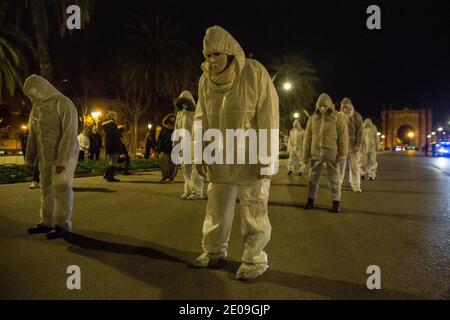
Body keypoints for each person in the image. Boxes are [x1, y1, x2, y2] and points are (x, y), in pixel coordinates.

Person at [192, 26, 279, 280]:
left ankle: (254, 258)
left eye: (216, 54)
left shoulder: (254, 72)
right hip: (219, 155)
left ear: (230, 52)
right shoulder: (205, 81)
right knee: (216, 206)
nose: (211, 61)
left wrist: (266, 156)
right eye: (207, 55)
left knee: (254, 207)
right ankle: (214, 251)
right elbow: (201, 118)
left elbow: (269, 116)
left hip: (250, 157)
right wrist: (199, 152)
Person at [23, 74, 79, 239]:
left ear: (43, 87)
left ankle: (63, 224)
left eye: (35, 92)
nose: (33, 97)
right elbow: (33, 135)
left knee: (61, 189)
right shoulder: (37, 107)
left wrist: (62, 160)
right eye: (30, 95)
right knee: (46, 188)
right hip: (45, 156)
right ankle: (46, 222)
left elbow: (69, 133)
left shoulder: (64, 103)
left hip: (63, 156)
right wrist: (30, 159)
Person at [303, 93, 348, 213]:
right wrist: (305, 156)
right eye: (321, 105)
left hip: (331, 153)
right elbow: (307, 138)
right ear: (317, 105)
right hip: (315, 153)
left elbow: (343, 137)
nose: (323, 107)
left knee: (334, 179)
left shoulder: (337, 117)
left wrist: (342, 154)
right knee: (313, 178)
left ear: (330, 105)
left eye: (325, 105)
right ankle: (310, 200)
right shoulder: (312, 118)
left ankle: (336, 202)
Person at [174, 90, 204, 200]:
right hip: (183, 143)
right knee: (185, 168)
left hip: (193, 143)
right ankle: (188, 190)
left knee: (195, 168)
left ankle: (197, 192)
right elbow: (177, 128)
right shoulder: (180, 114)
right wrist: (175, 143)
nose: (184, 104)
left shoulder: (196, 113)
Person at [338, 98, 363, 192]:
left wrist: (358, 145)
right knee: (340, 166)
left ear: (350, 107)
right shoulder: (339, 116)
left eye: (346, 107)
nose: (345, 109)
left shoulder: (356, 116)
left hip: (353, 146)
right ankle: (338, 184)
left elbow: (360, 131)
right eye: (343, 107)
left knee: (354, 167)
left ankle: (356, 185)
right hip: (341, 145)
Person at [101, 111, 122, 182]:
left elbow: (109, 135)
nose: (116, 117)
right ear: (113, 116)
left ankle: (106, 175)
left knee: (110, 161)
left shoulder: (105, 125)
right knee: (114, 161)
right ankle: (110, 176)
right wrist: (119, 131)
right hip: (114, 145)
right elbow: (115, 136)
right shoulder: (113, 124)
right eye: (115, 116)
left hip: (108, 144)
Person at [157, 113, 178, 182]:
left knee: (173, 164)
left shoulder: (177, 129)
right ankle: (165, 176)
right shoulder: (164, 129)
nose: (172, 120)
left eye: (173, 119)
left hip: (174, 149)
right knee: (163, 162)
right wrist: (159, 149)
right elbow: (160, 139)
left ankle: (171, 177)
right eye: (170, 119)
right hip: (164, 148)